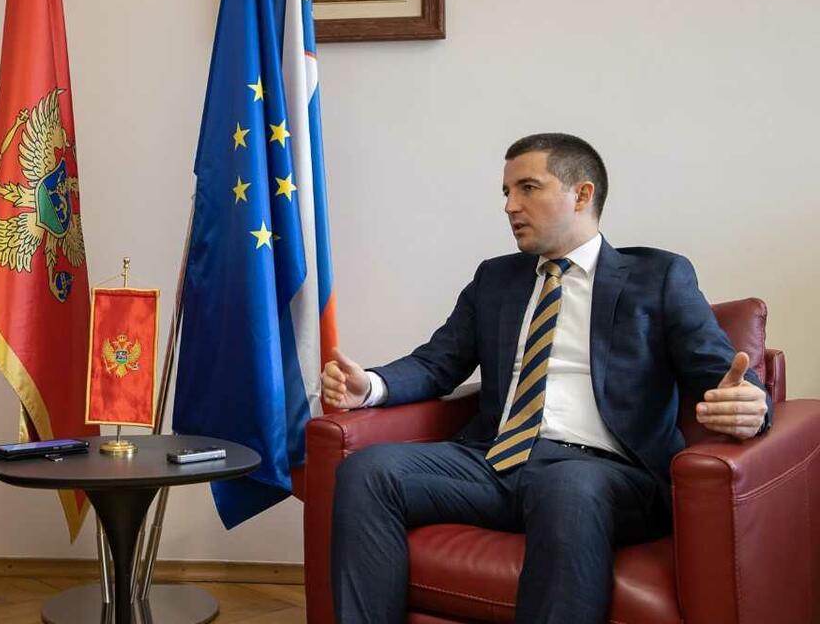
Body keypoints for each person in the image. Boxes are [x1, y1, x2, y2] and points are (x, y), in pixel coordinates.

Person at [322, 133, 771, 624]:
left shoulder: (658, 276)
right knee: (367, 471)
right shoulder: (495, 279)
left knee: (566, 486)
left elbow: (720, 373)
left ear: (581, 194)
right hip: (496, 462)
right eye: (506, 192)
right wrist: (371, 386)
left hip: (607, 472)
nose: (510, 206)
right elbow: (437, 362)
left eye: (528, 188)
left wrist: (751, 406)